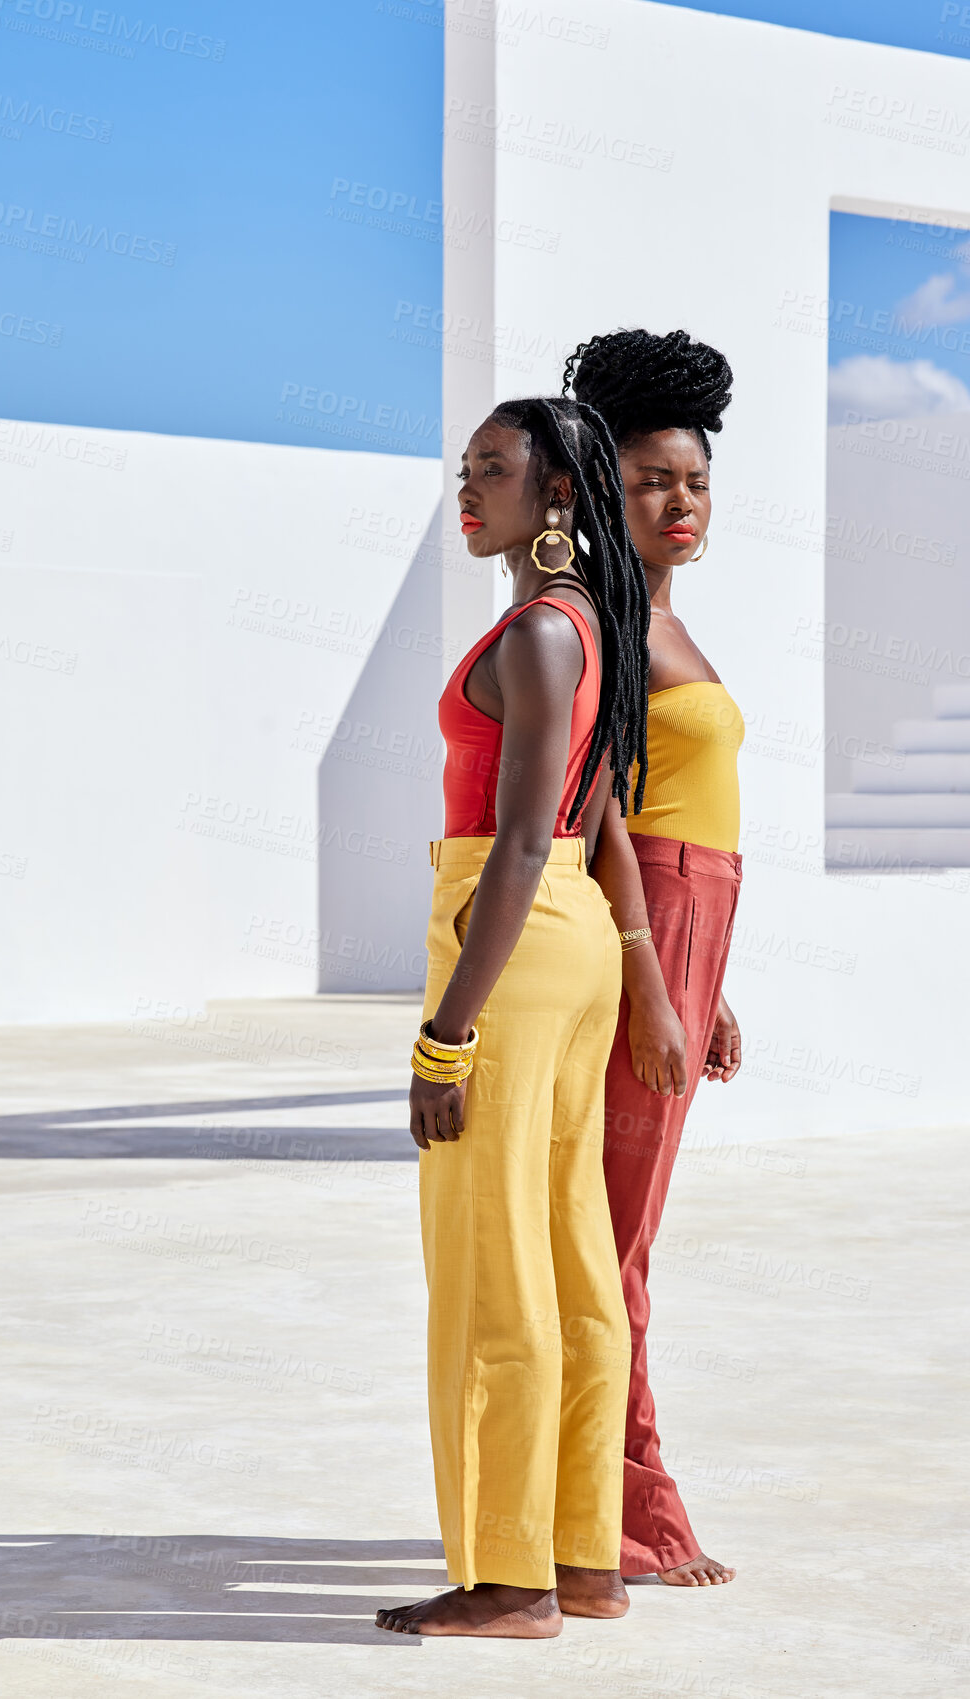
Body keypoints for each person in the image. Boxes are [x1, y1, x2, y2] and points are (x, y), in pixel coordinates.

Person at [377, 396, 651, 1639]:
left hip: (515, 931)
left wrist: (447, 1034)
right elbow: (591, 832)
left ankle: (508, 1578)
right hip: (573, 939)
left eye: (496, 467)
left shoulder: (542, 630)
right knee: (570, 1254)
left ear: (556, 492)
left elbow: (530, 835)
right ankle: (581, 1558)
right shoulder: (594, 618)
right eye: (463, 466)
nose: (467, 487)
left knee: (492, 1264)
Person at [565, 329, 745, 1588]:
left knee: (621, 1236)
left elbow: (677, 804)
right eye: (647, 482)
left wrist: (708, 981)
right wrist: (652, 978)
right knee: (613, 1240)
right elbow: (600, 815)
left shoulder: (663, 618)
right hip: (645, 935)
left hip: (686, 932)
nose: (677, 504)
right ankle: (627, 1513)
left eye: (691, 482)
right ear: (595, 489)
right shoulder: (602, 625)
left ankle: (591, 1496)